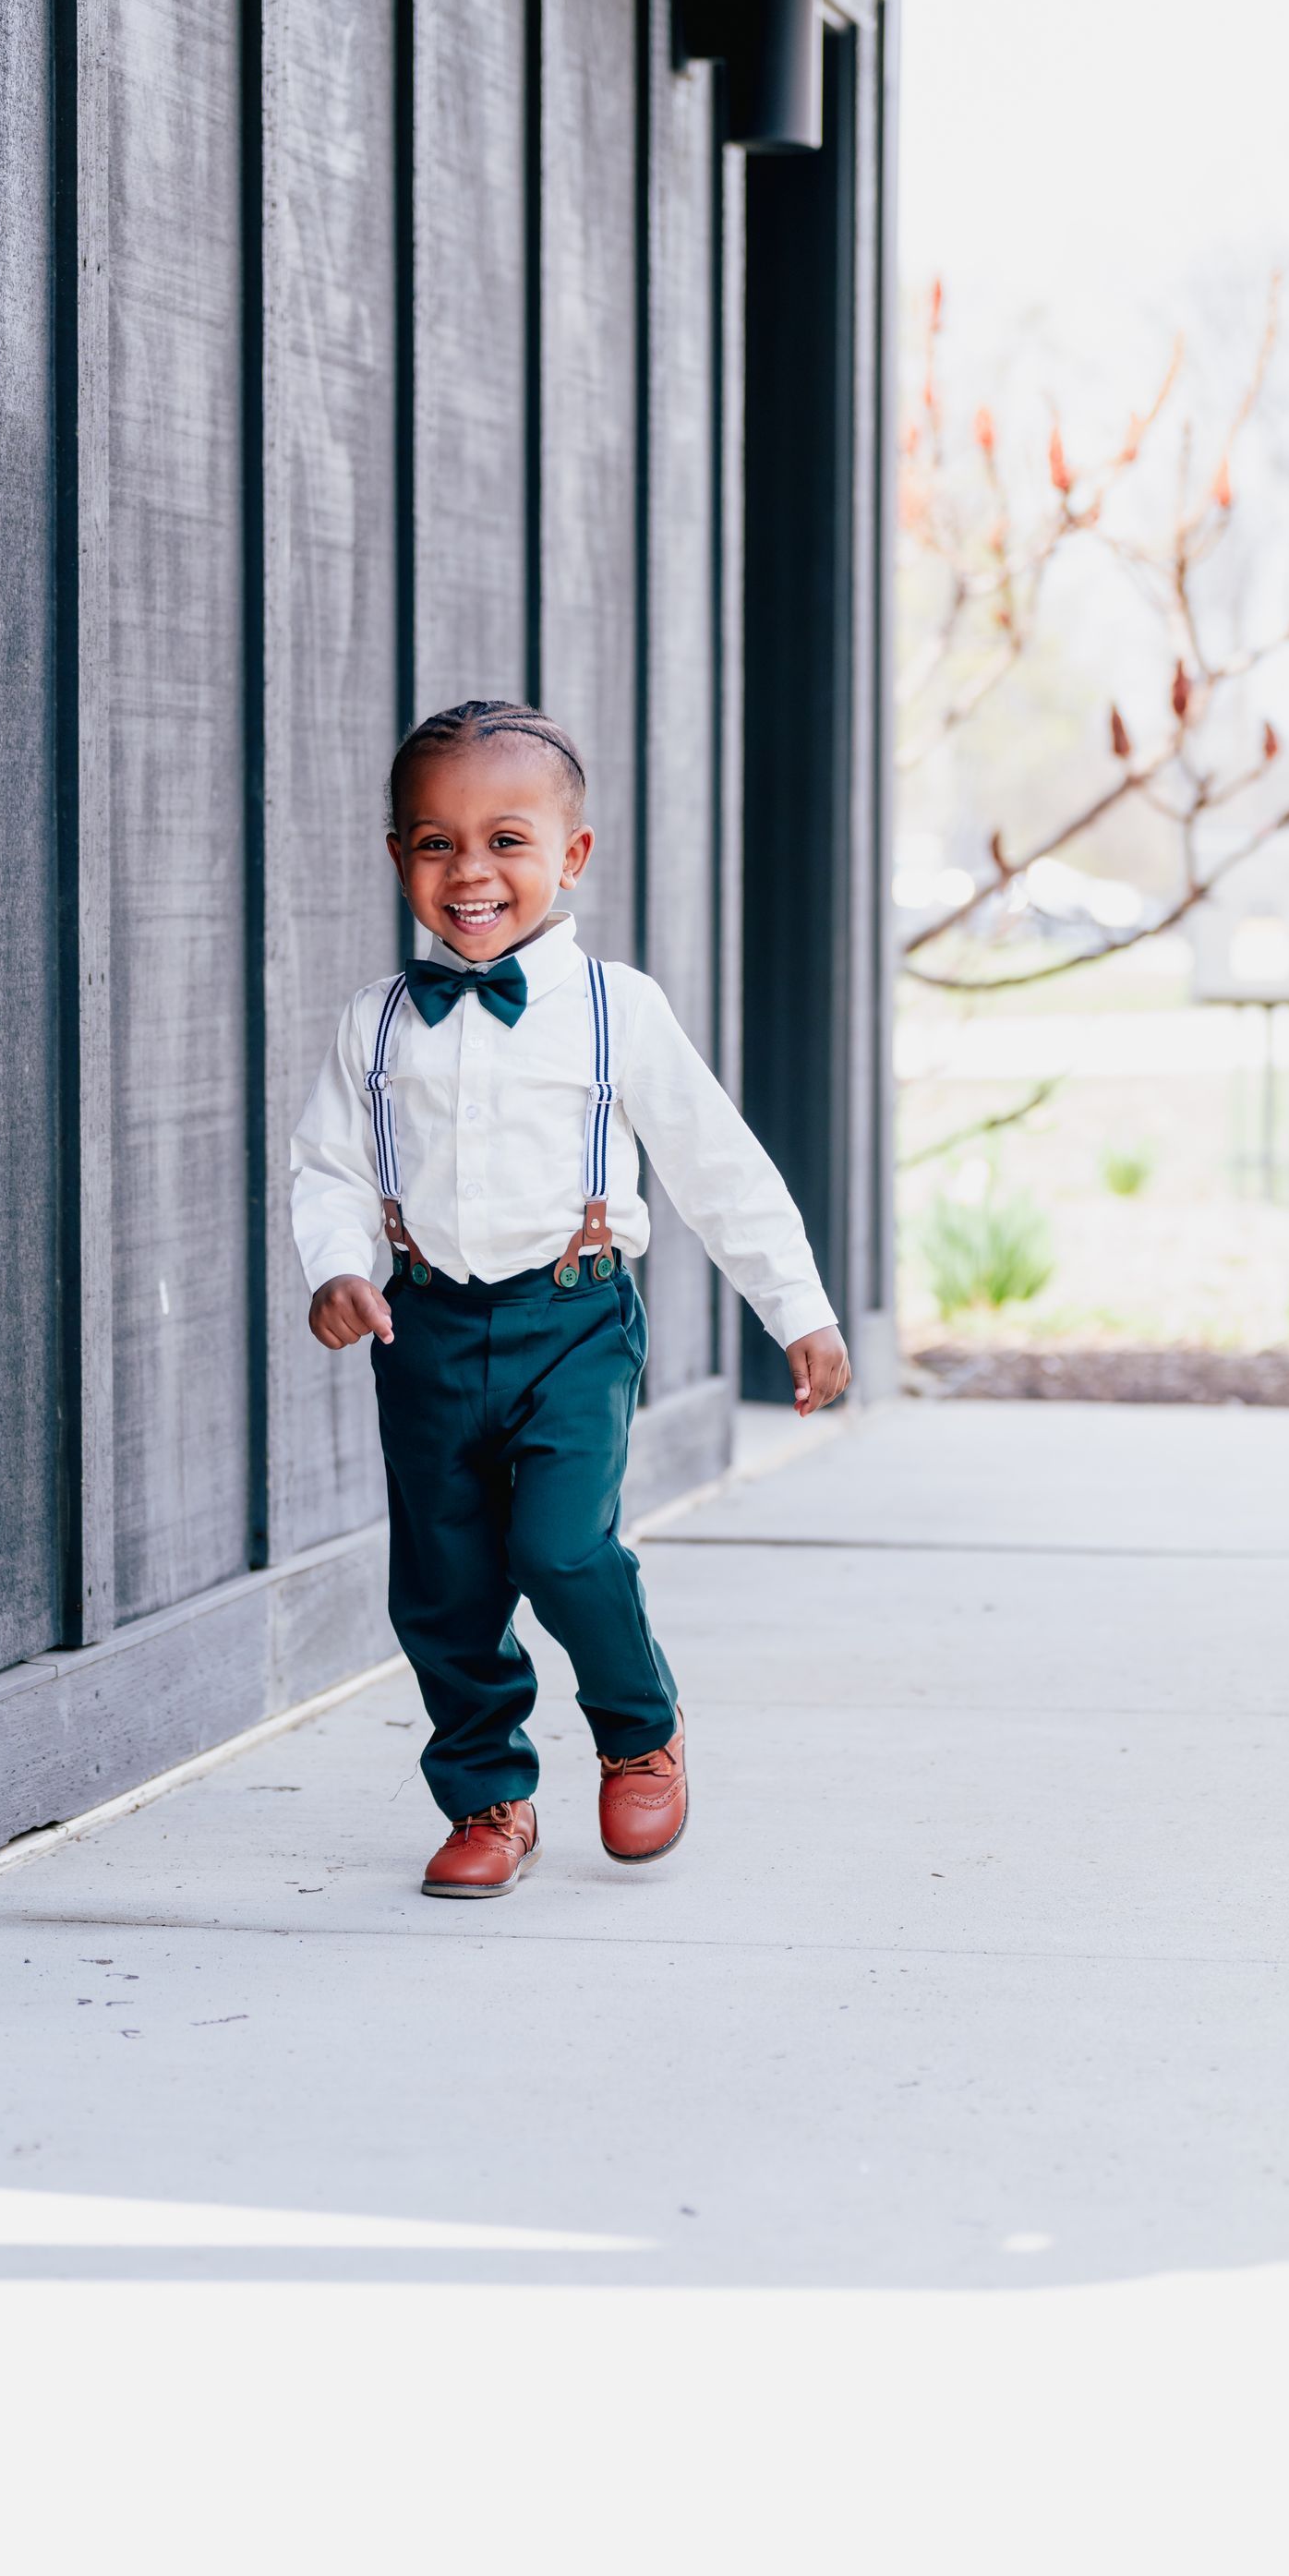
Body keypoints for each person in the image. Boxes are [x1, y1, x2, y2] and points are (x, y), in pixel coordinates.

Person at [290, 699, 849, 1900]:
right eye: (435, 843)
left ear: (570, 856)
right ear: (399, 859)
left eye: (506, 840)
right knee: (442, 1582)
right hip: (425, 1327)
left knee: (561, 1546)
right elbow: (330, 1168)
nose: (471, 871)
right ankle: (488, 1797)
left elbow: (718, 1166)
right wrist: (338, 1266)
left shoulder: (616, 1009)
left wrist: (798, 1309)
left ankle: (639, 1726)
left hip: (574, 1321)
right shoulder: (373, 1025)